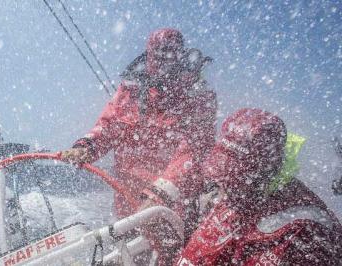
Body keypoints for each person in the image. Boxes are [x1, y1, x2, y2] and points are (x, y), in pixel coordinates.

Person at [61, 28, 217, 218]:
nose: (164, 60)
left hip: (173, 205)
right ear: (149, 53)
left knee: (173, 245)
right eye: (159, 53)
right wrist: (86, 147)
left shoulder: (197, 96)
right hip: (127, 199)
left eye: (169, 53)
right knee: (126, 244)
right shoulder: (131, 90)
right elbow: (110, 126)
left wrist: (160, 195)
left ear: (179, 55)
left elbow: (194, 151)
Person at [174, 108, 342, 265]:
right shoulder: (236, 197)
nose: (222, 188)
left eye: (233, 181)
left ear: (264, 174)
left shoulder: (303, 231)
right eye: (221, 177)